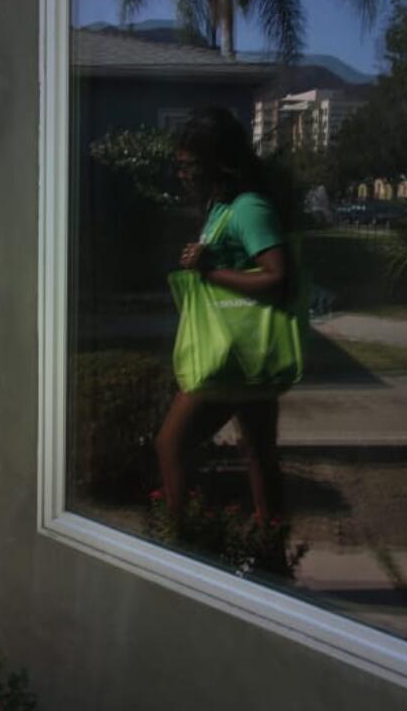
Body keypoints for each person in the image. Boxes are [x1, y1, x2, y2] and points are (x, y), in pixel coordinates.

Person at [155, 106, 289, 527]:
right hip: (243, 352)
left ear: (217, 163)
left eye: (189, 166)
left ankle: (188, 543)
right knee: (260, 455)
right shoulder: (223, 207)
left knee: (171, 445)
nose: (182, 174)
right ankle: (271, 555)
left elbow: (279, 279)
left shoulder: (249, 208)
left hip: (232, 352)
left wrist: (209, 271)